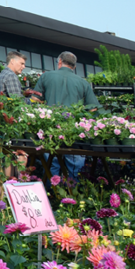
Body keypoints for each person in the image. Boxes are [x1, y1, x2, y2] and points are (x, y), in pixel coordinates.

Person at [34, 51, 100, 181]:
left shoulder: (46, 76)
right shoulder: (83, 82)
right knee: (75, 168)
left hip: (50, 129)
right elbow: (94, 108)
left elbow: (35, 100)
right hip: (74, 132)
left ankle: (52, 194)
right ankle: (73, 195)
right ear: (74, 67)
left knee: (51, 166)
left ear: (59, 62)